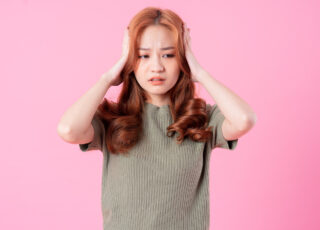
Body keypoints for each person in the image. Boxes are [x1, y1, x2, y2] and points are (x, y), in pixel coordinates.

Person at [57, 6, 256, 230]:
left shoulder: (201, 118)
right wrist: (108, 77)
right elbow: (68, 130)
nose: (157, 67)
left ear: (182, 59)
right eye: (143, 55)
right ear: (131, 61)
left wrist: (200, 73)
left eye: (169, 55)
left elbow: (244, 119)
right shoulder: (113, 120)